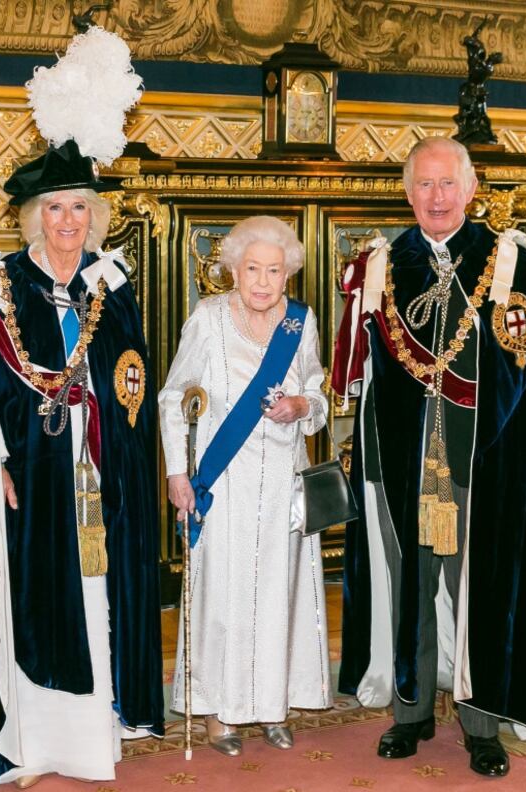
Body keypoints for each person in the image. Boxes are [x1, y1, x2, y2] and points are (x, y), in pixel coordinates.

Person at [332, 137, 526, 777]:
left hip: (480, 465)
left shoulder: (505, 259)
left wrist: (498, 457)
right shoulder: (381, 263)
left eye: (447, 184)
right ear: (408, 194)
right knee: (410, 590)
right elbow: (368, 374)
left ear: (470, 189)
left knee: (478, 593)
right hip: (404, 462)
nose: (436, 197)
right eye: (424, 185)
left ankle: (481, 722)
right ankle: (411, 715)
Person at [0, 137, 165, 791]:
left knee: (93, 595)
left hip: (95, 469)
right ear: (35, 215)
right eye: (54, 209)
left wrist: (123, 458)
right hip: (29, 471)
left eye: (78, 209)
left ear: (93, 216)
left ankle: (92, 734)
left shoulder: (109, 284)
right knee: (35, 599)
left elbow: (132, 378)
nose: (67, 222)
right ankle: (31, 737)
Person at [159, 215, 333, 756]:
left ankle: (272, 706)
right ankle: (218, 714)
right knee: (223, 597)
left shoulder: (300, 324)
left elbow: (319, 396)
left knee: (279, 593)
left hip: (283, 485)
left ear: (289, 274)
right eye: (252, 268)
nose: (262, 280)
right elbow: (171, 398)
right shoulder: (209, 319)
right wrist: (175, 471)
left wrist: (302, 405)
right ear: (233, 270)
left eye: (274, 270)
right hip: (223, 484)